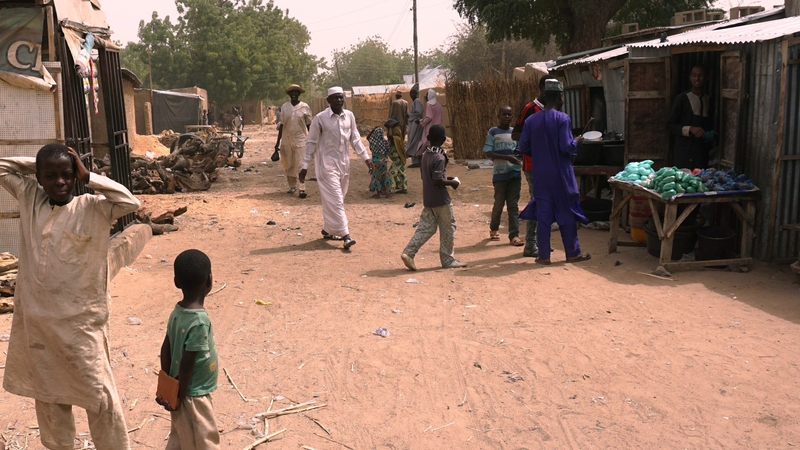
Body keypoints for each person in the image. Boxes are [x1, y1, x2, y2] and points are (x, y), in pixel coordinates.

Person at [0, 144, 140, 449]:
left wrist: (88, 174)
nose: (60, 182)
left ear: (76, 175)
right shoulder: (30, 198)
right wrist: (37, 164)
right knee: (50, 400)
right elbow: (1, 166)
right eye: (50, 176)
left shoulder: (94, 207)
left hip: (80, 327)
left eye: (67, 174)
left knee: (99, 395)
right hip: (38, 327)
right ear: (38, 178)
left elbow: (130, 202)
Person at [518, 79, 591, 265]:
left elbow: (524, 146)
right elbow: (566, 147)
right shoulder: (563, 119)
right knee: (566, 212)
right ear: (560, 97)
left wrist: (541, 152)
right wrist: (577, 141)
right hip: (561, 174)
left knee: (543, 214)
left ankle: (544, 255)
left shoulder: (531, 120)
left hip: (541, 173)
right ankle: (573, 253)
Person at [157, 249, 220, 449]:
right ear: (210, 280)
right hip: (193, 394)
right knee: (204, 440)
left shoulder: (177, 312)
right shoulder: (200, 321)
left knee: (180, 437)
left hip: (178, 389)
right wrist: (181, 394)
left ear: (176, 282)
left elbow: (166, 347)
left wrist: (168, 387)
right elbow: (187, 362)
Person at [299, 87, 374, 250]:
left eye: (341, 98)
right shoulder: (320, 119)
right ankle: (346, 236)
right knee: (336, 199)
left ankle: (327, 229)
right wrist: (305, 166)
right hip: (326, 165)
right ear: (329, 101)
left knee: (337, 198)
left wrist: (366, 158)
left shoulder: (350, 116)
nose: (339, 101)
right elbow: (311, 143)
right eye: (335, 98)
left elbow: (355, 139)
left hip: (344, 165)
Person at [401, 125, 466, 270]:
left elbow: (429, 177)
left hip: (428, 198)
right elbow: (437, 180)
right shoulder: (439, 157)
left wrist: (446, 177)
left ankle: (408, 252)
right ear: (443, 140)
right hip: (441, 200)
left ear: (428, 138)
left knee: (426, 228)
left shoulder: (425, 155)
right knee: (448, 228)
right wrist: (452, 182)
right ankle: (447, 259)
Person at [512, 74, 555, 257]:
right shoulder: (531, 109)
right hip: (533, 165)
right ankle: (530, 244)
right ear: (541, 89)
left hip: (549, 164)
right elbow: (516, 134)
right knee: (538, 201)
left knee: (544, 202)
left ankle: (538, 242)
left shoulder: (553, 110)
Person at [484, 105, 523, 246]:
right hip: (500, 175)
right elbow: (488, 152)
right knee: (499, 204)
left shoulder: (515, 133)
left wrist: (518, 156)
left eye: (509, 115)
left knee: (513, 206)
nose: (507, 117)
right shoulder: (493, 132)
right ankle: (494, 228)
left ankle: (514, 236)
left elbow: (519, 150)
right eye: (504, 114)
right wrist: (507, 158)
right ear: (499, 116)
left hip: (515, 174)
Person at [666, 65, 714, 170]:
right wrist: (691, 129)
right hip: (684, 152)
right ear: (690, 78)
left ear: (707, 78)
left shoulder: (708, 100)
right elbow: (670, 125)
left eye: (700, 76)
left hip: (701, 153)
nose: (697, 79)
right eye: (694, 75)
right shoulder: (682, 99)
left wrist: (710, 134)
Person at [274, 84, 313, 198]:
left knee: (301, 163)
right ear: (289, 94)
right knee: (289, 163)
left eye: (296, 92)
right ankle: (292, 186)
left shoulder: (305, 107)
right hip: (286, 139)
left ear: (299, 94)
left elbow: (309, 125)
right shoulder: (285, 107)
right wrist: (277, 143)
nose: (294, 94)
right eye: (292, 92)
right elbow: (281, 126)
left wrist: (312, 140)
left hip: (301, 139)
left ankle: (302, 188)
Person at [412, 89, 443, 168]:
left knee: (426, 143)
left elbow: (429, 117)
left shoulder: (429, 105)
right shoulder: (439, 105)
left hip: (430, 128)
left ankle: (426, 161)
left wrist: (421, 121)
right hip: (438, 127)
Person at [367, 126, 392, 198]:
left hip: (376, 161)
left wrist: (373, 130)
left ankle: (378, 193)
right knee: (385, 175)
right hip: (384, 161)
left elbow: (368, 138)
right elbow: (388, 149)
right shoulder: (385, 142)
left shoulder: (372, 141)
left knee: (377, 176)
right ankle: (388, 193)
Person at [386, 118, 408, 194]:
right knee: (401, 173)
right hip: (398, 160)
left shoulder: (397, 138)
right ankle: (403, 188)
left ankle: (390, 188)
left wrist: (390, 128)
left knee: (391, 173)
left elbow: (391, 135)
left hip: (398, 160)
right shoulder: (393, 139)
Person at [405, 85, 425, 167]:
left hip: (416, 124)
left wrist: (410, 115)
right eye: (411, 93)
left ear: (416, 94)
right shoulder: (414, 102)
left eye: (413, 93)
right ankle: (416, 160)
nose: (411, 95)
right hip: (413, 124)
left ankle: (417, 161)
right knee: (413, 140)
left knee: (415, 141)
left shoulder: (417, 101)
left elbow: (419, 113)